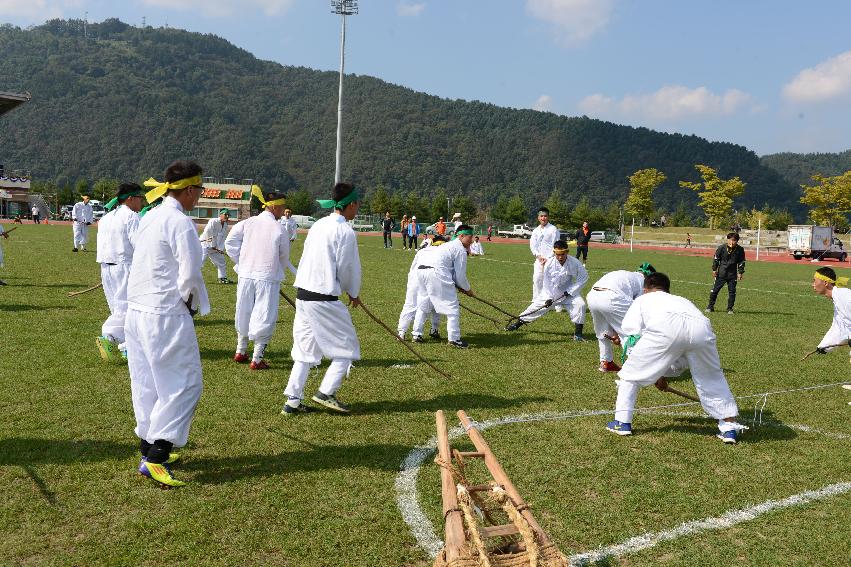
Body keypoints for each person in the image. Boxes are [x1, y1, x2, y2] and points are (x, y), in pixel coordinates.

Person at [128, 160, 210, 487]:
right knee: (186, 383)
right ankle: (158, 455)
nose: (200, 196)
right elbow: (189, 272)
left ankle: (147, 447)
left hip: (137, 310)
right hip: (164, 311)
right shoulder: (179, 221)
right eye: (199, 190)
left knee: (147, 382)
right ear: (189, 190)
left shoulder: (150, 217)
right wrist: (188, 304)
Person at [606, 272, 746, 443]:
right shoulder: (682, 300)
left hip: (666, 328)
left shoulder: (642, 300)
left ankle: (622, 423)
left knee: (630, 375)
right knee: (712, 377)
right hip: (701, 329)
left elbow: (632, 333)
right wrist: (658, 374)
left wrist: (632, 355)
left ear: (645, 290)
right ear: (667, 290)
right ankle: (729, 428)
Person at [282, 182, 362, 415]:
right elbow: (348, 267)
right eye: (357, 204)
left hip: (303, 295)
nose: (357, 209)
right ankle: (326, 392)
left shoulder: (319, 224)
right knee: (348, 348)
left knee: (304, 350)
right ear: (351, 205)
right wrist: (353, 292)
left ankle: (292, 401)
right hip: (323, 297)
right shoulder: (344, 231)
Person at [225, 187, 296, 370]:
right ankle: (256, 358)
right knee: (264, 313)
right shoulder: (279, 228)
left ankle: (240, 351)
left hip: (247, 274)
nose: (283, 211)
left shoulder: (247, 223)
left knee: (244, 310)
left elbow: (230, 243)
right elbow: (283, 256)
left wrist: (242, 262)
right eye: (281, 207)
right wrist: (273, 270)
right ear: (274, 208)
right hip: (266, 276)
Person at [95, 183, 144, 362]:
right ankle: (109, 337)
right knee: (127, 309)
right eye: (140, 198)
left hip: (106, 266)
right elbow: (139, 245)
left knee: (118, 307)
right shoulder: (131, 216)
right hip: (125, 266)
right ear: (130, 198)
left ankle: (126, 346)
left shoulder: (106, 217)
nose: (142, 202)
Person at [506, 240, 587, 341]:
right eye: (558, 255)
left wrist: (570, 291)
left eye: (562, 254)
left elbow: (583, 277)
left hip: (568, 293)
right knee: (534, 308)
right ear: (554, 253)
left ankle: (578, 334)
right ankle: (516, 325)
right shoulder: (549, 264)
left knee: (580, 305)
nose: (560, 257)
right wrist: (549, 298)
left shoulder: (575, 263)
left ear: (567, 252)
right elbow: (547, 284)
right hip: (550, 293)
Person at [412, 225, 475, 348]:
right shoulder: (459, 249)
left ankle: (416, 334)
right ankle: (454, 339)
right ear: (461, 236)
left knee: (424, 304)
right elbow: (460, 276)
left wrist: (461, 286)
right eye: (470, 237)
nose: (472, 240)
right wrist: (468, 289)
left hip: (422, 271)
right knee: (452, 308)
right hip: (436, 273)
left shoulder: (448, 245)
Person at [587, 263, 655, 373]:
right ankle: (635, 369)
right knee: (631, 332)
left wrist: (614, 333)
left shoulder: (626, 274)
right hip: (611, 297)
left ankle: (606, 362)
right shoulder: (643, 282)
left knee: (603, 332)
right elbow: (638, 307)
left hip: (592, 295)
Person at [397, 235, 444, 341]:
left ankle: (401, 333)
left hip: (414, 276)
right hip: (429, 278)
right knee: (430, 305)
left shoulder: (421, 251)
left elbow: (412, 267)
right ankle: (423, 332)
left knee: (410, 304)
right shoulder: (442, 251)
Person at [810, 267, 851, 361]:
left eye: (815, 281)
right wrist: (824, 346)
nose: (813, 285)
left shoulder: (844, 297)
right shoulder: (837, 298)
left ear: (825, 283)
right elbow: (840, 327)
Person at [706, 232, 745, 314]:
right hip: (721, 273)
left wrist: (740, 272)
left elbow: (741, 261)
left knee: (732, 292)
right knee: (715, 290)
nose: (731, 242)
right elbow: (716, 259)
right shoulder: (721, 248)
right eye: (730, 240)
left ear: (737, 241)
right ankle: (710, 307)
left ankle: (730, 308)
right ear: (727, 240)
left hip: (732, 274)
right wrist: (714, 269)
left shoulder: (740, 250)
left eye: (734, 240)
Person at [529, 206, 560, 300]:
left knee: (552, 282)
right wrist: (538, 256)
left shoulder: (553, 229)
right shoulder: (535, 231)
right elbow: (532, 245)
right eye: (541, 216)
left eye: (545, 216)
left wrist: (549, 257)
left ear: (548, 217)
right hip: (539, 260)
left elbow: (557, 245)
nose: (543, 218)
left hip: (551, 260)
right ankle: (536, 301)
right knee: (537, 280)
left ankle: (555, 303)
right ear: (538, 218)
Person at [200, 209, 232, 284]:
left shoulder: (225, 225)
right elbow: (208, 232)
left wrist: (220, 248)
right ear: (220, 215)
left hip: (215, 248)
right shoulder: (213, 221)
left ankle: (222, 278)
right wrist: (212, 245)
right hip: (205, 245)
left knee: (221, 261)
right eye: (225, 215)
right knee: (200, 262)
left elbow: (223, 237)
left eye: (228, 215)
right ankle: (192, 279)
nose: (227, 217)